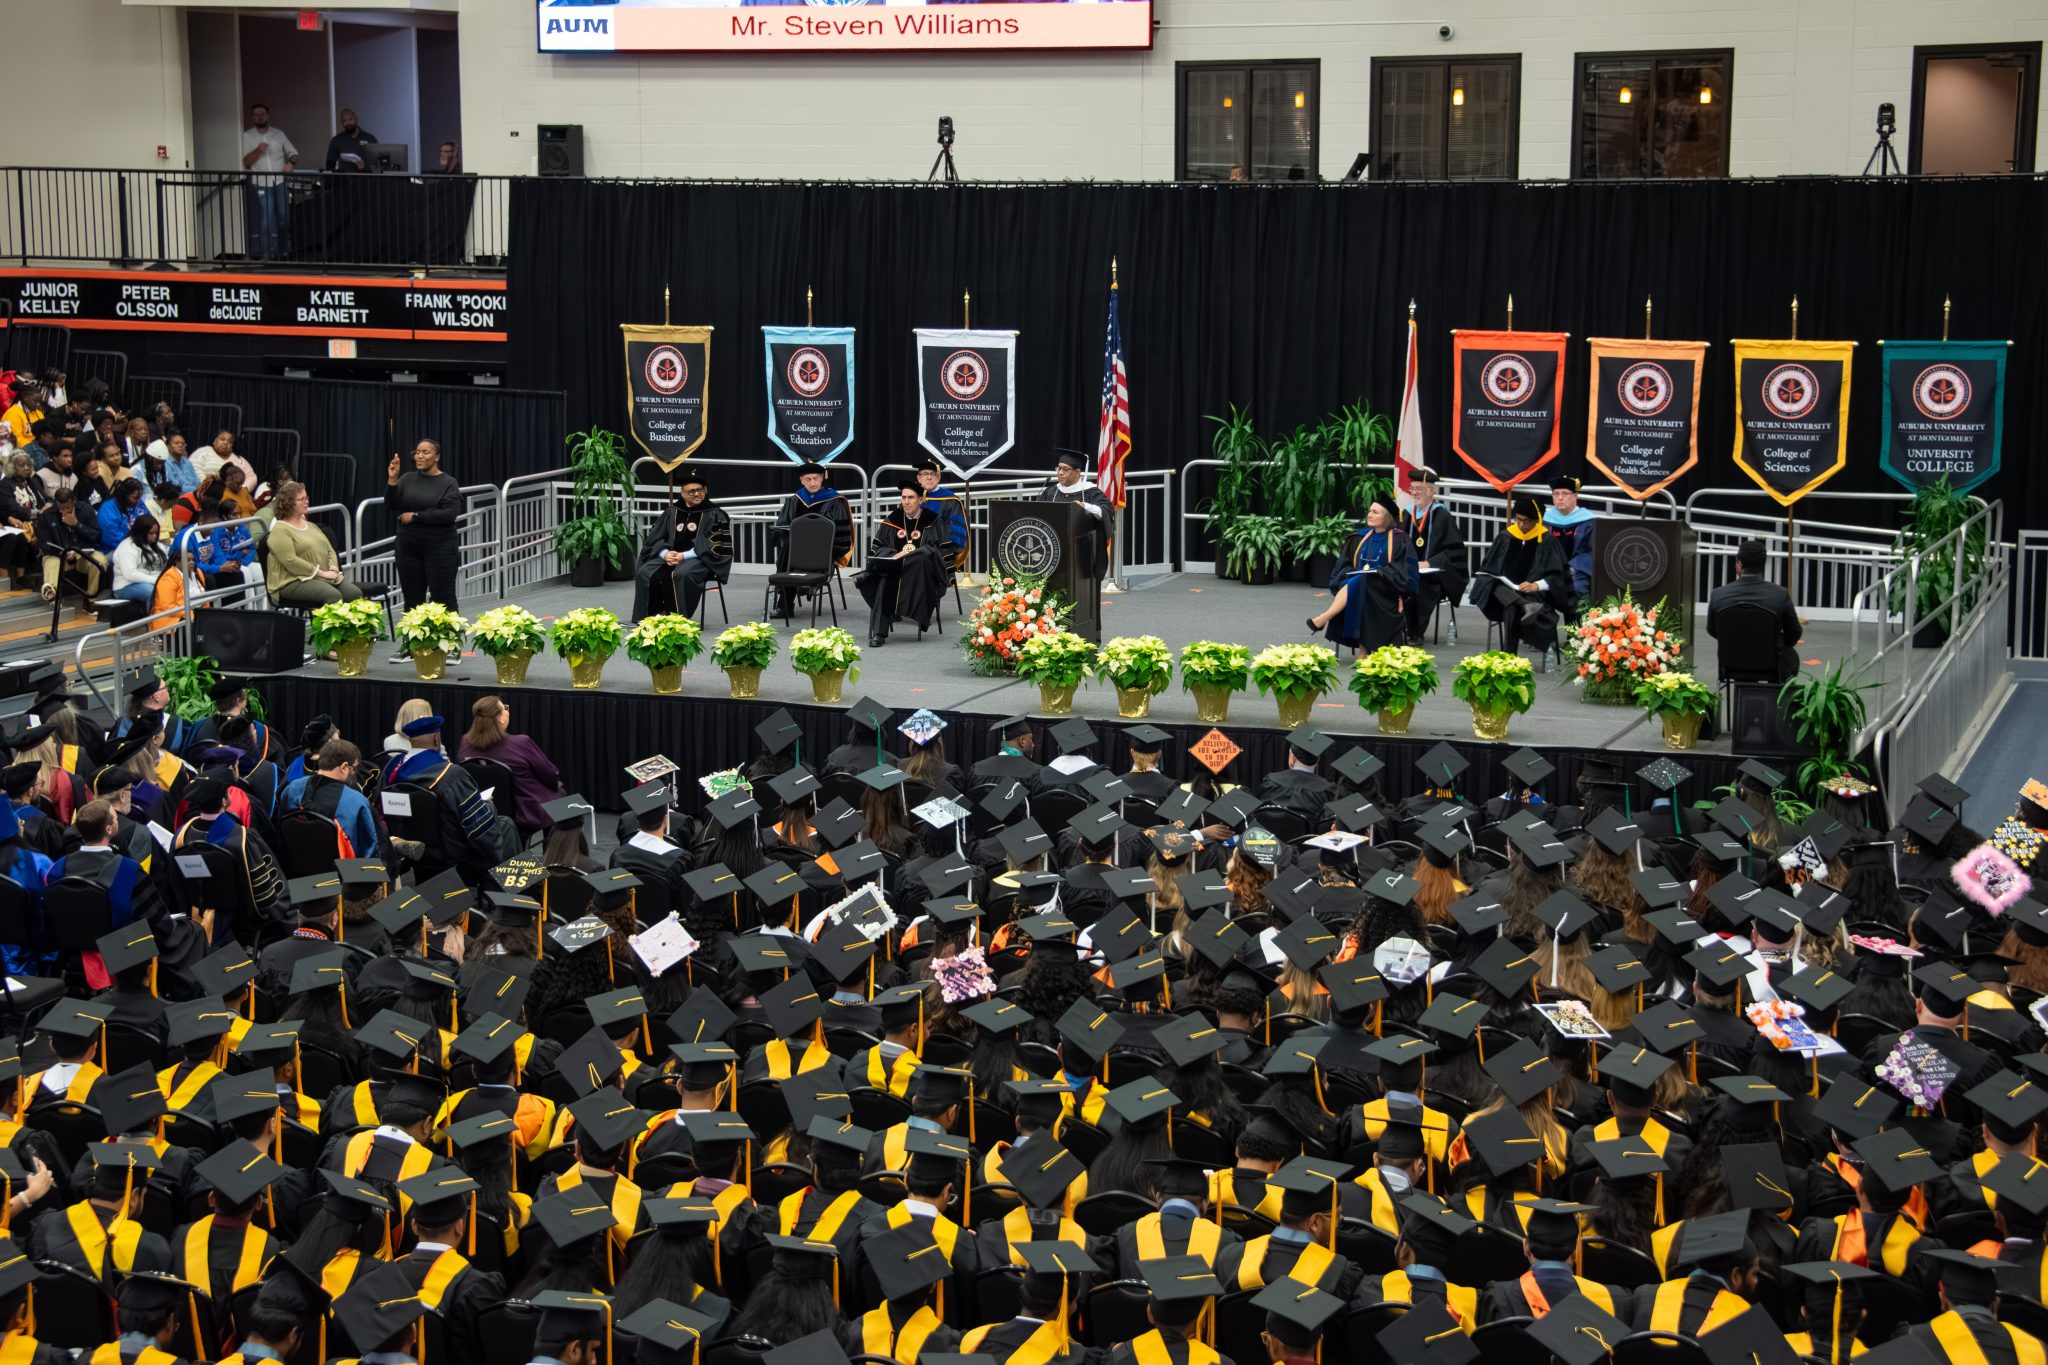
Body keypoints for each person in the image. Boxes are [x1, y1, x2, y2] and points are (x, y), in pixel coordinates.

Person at [1469, 495, 1574, 658]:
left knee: (1511, 606)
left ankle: (1509, 656)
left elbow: (1557, 575)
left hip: (1534, 595)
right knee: (1491, 583)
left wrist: (1536, 585)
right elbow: (1488, 568)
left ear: (1536, 521)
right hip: (1502, 592)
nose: (1521, 524)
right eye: (1518, 519)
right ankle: (1524, 605)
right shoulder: (1505, 536)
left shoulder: (1547, 541)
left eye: (1526, 521)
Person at [1307, 493, 1414, 652]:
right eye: (1370, 511)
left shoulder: (1400, 539)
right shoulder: (1358, 538)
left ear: (1386, 517)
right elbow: (1342, 567)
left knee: (1363, 582)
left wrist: (1379, 572)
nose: (1369, 515)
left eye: (1375, 512)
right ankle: (1363, 649)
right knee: (1360, 582)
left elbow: (1404, 571)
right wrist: (1357, 573)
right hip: (1359, 587)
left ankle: (1325, 617)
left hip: (1384, 589)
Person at [384, 439, 463, 645]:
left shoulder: (448, 483)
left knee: (443, 598)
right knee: (412, 599)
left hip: (440, 547)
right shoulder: (407, 479)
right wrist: (393, 480)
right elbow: (391, 505)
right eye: (417, 452)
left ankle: (450, 645)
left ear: (436, 457)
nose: (420, 456)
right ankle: (412, 646)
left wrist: (417, 516)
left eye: (425, 452)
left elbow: (449, 514)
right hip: (408, 547)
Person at [453, 695, 564, 842]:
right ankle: (553, 857)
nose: (507, 711)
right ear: (500, 718)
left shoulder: (465, 741)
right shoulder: (521, 743)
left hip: (481, 808)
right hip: (524, 813)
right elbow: (550, 774)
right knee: (560, 796)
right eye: (505, 708)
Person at [856, 481, 952, 648]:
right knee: (884, 580)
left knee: (920, 559)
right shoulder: (892, 520)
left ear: (921, 499)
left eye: (911, 498)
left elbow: (938, 551)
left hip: (920, 575)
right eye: (904, 497)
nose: (907, 502)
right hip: (894, 571)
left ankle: (915, 616)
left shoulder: (933, 521)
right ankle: (879, 633)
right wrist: (894, 555)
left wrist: (910, 554)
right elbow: (879, 548)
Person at [632, 464, 731, 622]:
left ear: (705, 490)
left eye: (700, 490)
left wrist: (683, 556)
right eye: (691, 491)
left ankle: (678, 620)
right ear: (682, 493)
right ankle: (648, 618)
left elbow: (716, 546)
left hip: (699, 558)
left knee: (681, 574)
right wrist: (665, 554)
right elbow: (654, 539)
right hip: (669, 555)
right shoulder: (672, 512)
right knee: (644, 572)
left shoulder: (714, 514)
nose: (696, 494)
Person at [1707, 537, 1803, 683]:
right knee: (1790, 656)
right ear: (1763, 564)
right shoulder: (1780, 595)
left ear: (1739, 563)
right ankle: (1775, 702)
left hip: (1732, 665)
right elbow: (1793, 635)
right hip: (1772, 666)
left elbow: (1713, 630)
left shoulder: (1718, 595)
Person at [770, 461, 853, 616]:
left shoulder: (834, 501)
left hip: (822, 552)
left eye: (815, 479)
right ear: (801, 480)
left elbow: (839, 533)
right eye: (808, 479)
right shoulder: (795, 500)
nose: (812, 483)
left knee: (789, 554)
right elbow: (782, 524)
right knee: (788, 548)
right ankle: (787, 603)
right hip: (795, 551)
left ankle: (785, 604)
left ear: (822, 479)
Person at [264, 481, 365, 606]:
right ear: (289, 503)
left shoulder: (311, 526)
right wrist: (322, 573)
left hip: (323, 576)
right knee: (333, 596)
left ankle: (352, 626)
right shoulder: (280, 530)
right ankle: (329, 626)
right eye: (302, 499)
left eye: (307, 498)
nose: (307, 501)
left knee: (354, 594)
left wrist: (333, 567)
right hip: (292, 580)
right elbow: (291, 561)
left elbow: (330, 549)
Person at [1401, 467, 1467, 639]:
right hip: (1410, 568)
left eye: (1419, 489)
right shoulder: (1407, 515)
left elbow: (1454, 551)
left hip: (1435, 573)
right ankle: (1399, 628)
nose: (1414, 493)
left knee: (1419, 583)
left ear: (1432, 491)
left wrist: (1429, 563)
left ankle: (1415, 633)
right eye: (1412, 489)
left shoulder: (1443, 516)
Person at [1036, 449, 1113, 577]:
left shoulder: (1090, 492)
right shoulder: (1050, 491)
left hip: (1080, 552)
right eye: (1058, 468)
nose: (1060, 473)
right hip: (1049, 547)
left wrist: (1086, 506)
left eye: (1065, 469)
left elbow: (1106, 511)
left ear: (1077, 472)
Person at [241, 103, 298, 260]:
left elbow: (293, 153)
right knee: (266, 219)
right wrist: (259, 150)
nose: (259, 117)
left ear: (268, 115)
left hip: (279, 181)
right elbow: (246, 162)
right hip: (261, 182)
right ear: (252, 118)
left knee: (283, 217)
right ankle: (268, 253)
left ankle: (285, 249)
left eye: (262, 114)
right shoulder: (247, 136)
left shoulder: (278, 134)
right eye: (256, 115)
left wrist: (291, 164)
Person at [34, 488, 107, 611]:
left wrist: (76, 524)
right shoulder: (47, 515)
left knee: (100, 561)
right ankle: (53, 596)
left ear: (74, 501)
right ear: (56, 504)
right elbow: (44, 544)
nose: (65, 511)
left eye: (68, 507)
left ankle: (91, 600)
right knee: (51, 562)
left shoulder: (85, 510)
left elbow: (96, 536)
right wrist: (62, 553)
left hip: (82, 554)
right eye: (61, 508)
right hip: (58, 555)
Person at [1546, 475, 1597, 599]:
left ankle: (1575, 619)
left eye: (1565, 493)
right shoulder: (1545, 520)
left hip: (1576, 572)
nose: (1560, 498)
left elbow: (1592, 552)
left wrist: (1572, 568)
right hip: (1547, 571)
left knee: (1577, 589)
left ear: (1575, 496)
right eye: (1556, 494)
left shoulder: (1588, 521)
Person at [916, 458, 968, 571]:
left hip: (938, 556)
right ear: (918, 478)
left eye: (933, 474)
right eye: (925, 474)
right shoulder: (911, 498)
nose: (929, 477)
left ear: (939, 477)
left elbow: (956, 537)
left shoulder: (950, 500)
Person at [110, 514, 171, 607]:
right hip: (126, 585)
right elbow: (130, 574)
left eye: (156, 533)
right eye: (151, 533)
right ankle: (155, 620)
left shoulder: (158, 546)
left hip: (155, 581)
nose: (154, 536)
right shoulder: (128, 547)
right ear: (141, 532)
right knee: (154, 592)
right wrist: (156, 581)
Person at [323, 107, 377, 172]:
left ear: (356, 119)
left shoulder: (370, 138)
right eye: (344, 121)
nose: (348, 123)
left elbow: (377, 164)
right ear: (341, 122)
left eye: (350, 119)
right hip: (344, 180)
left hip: (365, 180)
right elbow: (330, 163)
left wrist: (365, 166)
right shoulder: (337, 140)